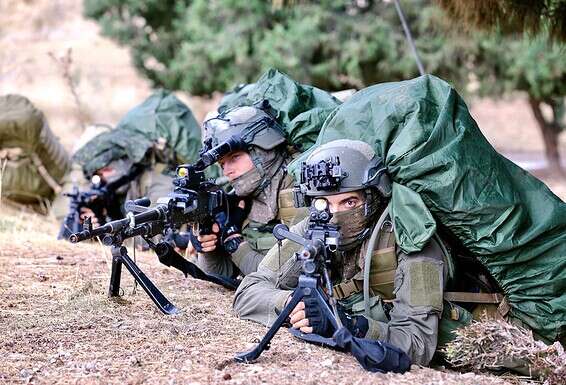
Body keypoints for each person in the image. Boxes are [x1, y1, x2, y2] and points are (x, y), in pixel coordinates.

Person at [233, 139, 448, 366]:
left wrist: (348, 326)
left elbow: (418, 344)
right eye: (324, 204)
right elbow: (248, 291)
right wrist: (290, 304)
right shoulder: (312, 227)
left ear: (372, 198)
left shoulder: (410, 241)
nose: (334, 216)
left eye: (349, 202)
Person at [195, 104, 306, 278]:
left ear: (263, 150)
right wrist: (210, 249)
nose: (227, 171)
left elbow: (289, 276)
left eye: (235, 158)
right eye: (222, 164)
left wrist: (236, 245)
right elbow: (223, 274)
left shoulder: (303, 185)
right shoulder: (247, 194)